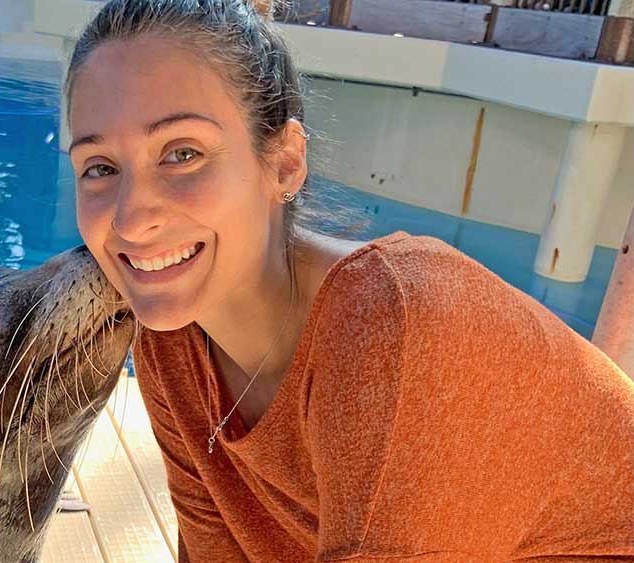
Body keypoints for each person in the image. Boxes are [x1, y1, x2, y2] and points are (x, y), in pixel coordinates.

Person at [63, 0, 634, 561]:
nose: (131, 218)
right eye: (101, 167)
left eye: (182, 153)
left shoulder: (396, 329)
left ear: (285, 162)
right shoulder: (173, 342)